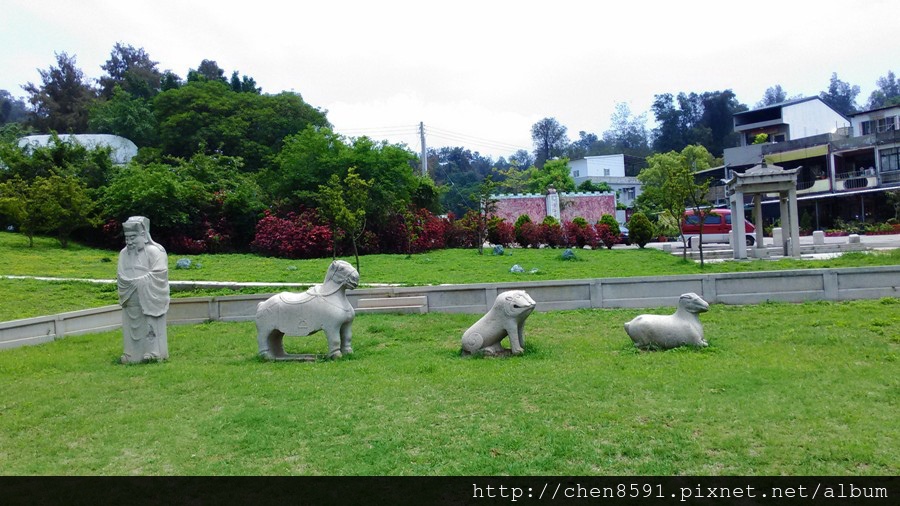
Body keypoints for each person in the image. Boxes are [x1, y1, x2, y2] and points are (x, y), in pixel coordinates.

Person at [117, 216, 170, 363]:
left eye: (133, 237)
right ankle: (131, 354)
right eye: (127, 238)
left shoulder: (155, 251)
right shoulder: (123, 254)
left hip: (149, 296)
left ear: (143, 235)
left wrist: (140, 283)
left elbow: (160, 273)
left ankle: (153, 353)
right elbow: (121, 276)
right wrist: (130, 285)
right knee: (130, 326)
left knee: (150, 324)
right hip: (130, 296)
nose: (130, 242)